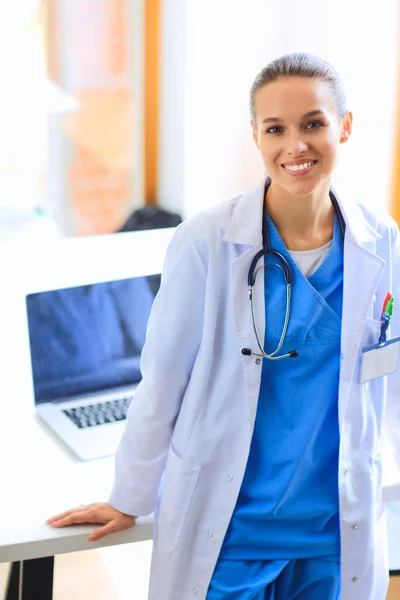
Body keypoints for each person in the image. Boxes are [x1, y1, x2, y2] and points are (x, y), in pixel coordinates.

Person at [47, 52, 400, 600]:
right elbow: (163, 379)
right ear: (256, 137)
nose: (295, 145)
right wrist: (129, 495)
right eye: (275, 128)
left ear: (345, 126)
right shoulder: (206, 242)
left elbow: (388, 379)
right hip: (229, 529)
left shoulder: (382, 241)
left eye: (313, 123)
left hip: (333, 531)